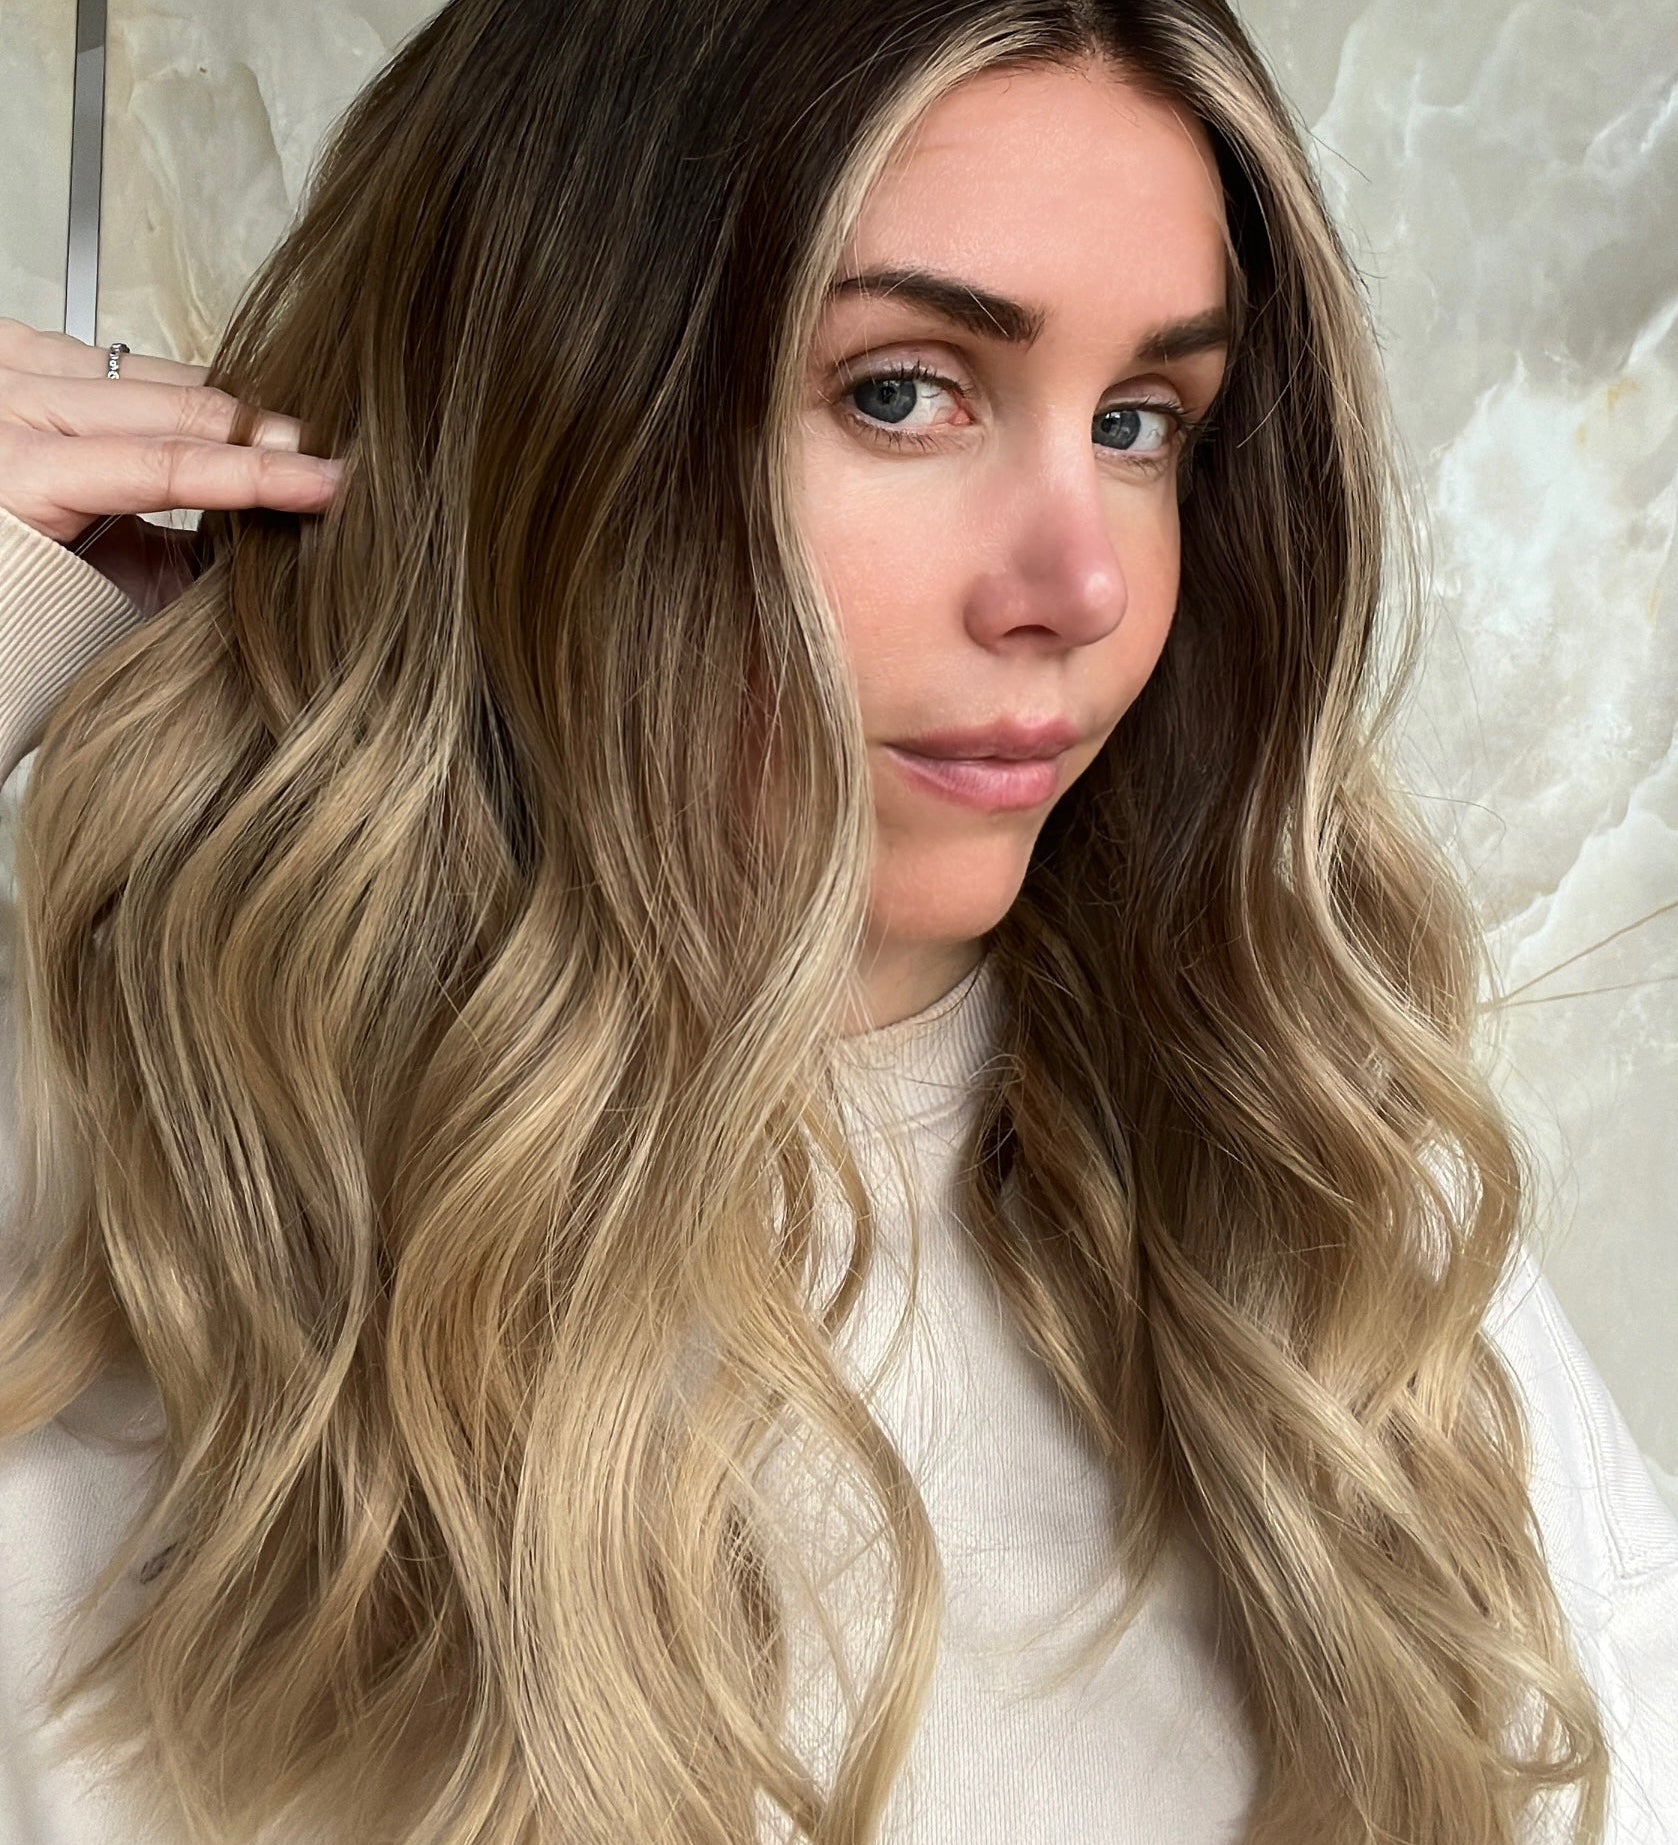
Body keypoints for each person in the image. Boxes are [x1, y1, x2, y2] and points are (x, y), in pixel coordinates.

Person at [0, 0, 1674, 1841]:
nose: (1082, 582)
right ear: (536, 404)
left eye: (1139, 424)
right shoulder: (105, 1163)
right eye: (900, 391)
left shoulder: (1323, 1219)